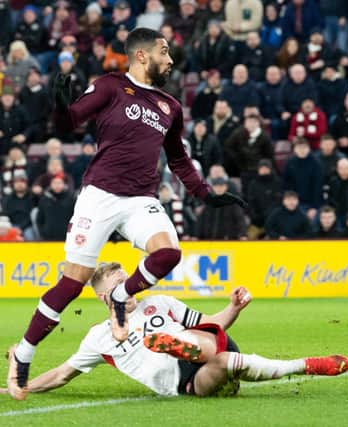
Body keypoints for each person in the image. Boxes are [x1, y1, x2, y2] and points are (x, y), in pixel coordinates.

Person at [6, 28, 247, 401]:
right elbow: (68, 123)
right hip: (100, 195)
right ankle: (22, 355)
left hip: (139, 198)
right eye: (164, 52)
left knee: (169, 253)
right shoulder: (110, 86)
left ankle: (120, 296)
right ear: (141, 56)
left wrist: (206, 194)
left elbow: (179, 159)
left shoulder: (170, 107)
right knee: (72, 283)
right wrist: (58, 104)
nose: (170, 60)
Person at [4, 263, 348, 398]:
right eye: (119, 284)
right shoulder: (98, 337)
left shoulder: (160, 302)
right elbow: (62, 375)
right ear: (100, 296)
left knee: (209, 346)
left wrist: (233, 307)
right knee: (225, 361)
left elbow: (212, 325)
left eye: (128, 281)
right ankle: (306, 364)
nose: (129, 287)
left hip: (202, 344)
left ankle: (173, 345)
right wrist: (22, 384)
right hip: (189, 382)